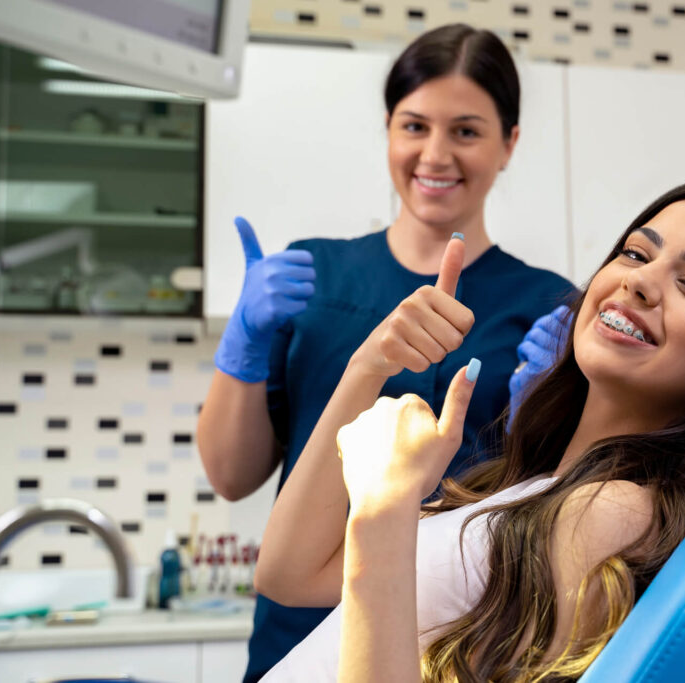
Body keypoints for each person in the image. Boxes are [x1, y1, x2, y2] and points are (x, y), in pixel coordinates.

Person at [252, 179, 685, 682]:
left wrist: (384, 507)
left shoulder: (610, 510)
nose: (638, 280)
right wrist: (372, 364)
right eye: (636, 252)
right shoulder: (540, 486)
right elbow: (288, 574)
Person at [195, 24, 575, 681]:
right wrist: (244, 347)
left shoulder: (547, 307)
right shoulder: (315, 276)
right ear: (388, 128)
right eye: (414, 126)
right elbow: (232, 476)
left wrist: (538, 428)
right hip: (297, 637)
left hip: (453, 640)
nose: (435, 153)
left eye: (466, 130)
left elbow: (551, 524)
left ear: (509, 143)